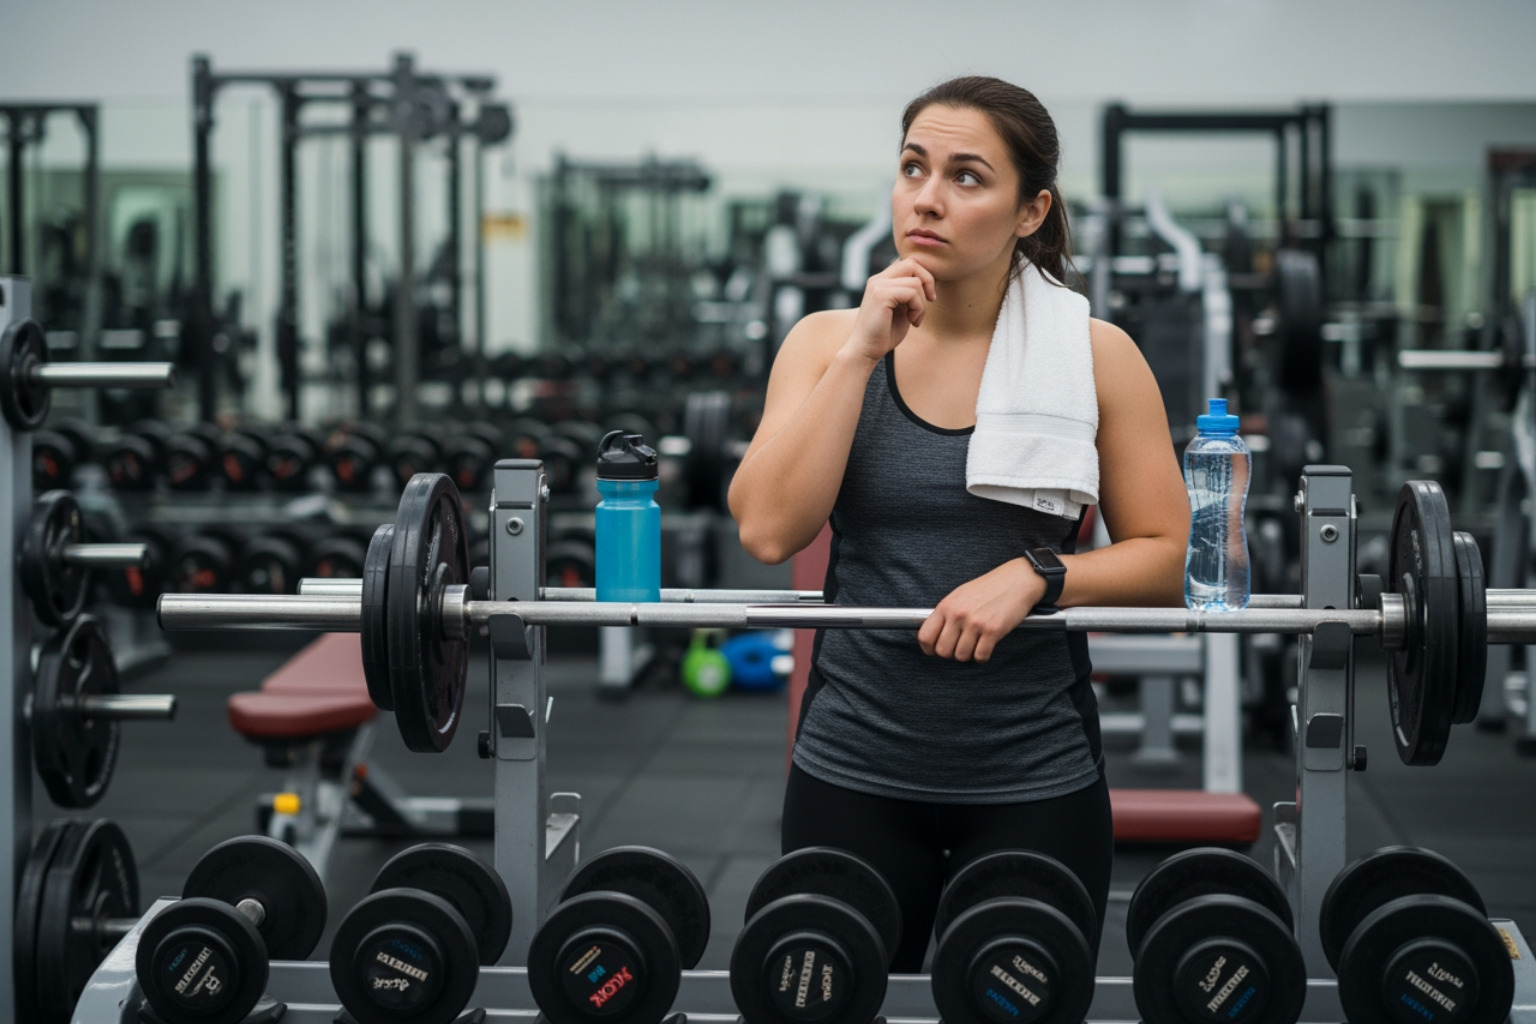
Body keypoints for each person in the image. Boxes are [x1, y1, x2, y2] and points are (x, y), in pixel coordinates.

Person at [726, 76, 1189, 970]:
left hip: (1036, 777)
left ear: (1030, 210)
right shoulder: (828, 341)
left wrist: (1039, 573)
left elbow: (1170, 560)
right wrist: (863, 350)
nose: (927, 199)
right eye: (912, 168)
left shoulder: (1097, 356)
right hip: (851, 766)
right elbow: (768, 531)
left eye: (967, 177)